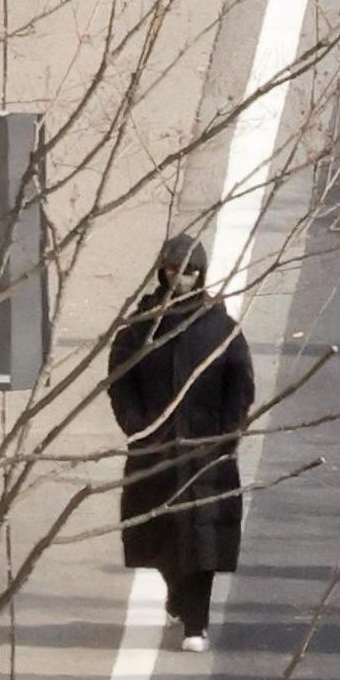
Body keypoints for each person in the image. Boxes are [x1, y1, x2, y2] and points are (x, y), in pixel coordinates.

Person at [107, 234, 255, 654]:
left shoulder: (219, 327)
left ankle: (197, 621)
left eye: (189, 272)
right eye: (174, 271)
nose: (181, 279)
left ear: (201, 274)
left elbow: (240, 385)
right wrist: (139, 428)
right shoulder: (139, 329)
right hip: (154, 450)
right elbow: (120, 383)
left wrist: (226, 435)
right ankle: (177, 596)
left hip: (206, 452)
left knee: (203, 540)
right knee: (162, 537)